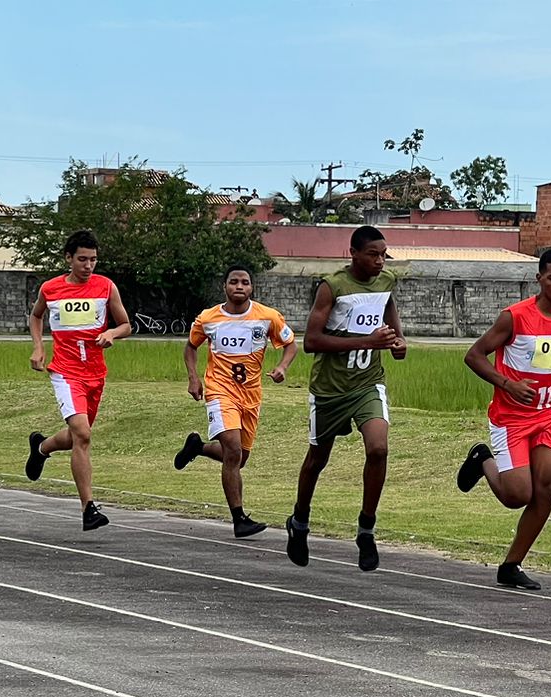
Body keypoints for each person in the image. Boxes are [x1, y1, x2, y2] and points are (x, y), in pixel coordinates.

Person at [456, 248, 551, 590]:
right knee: (517, 496)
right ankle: (482, 458)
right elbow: (474, 356)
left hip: (547, 417)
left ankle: (512, 565)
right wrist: (507, 384)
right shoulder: (514, 317)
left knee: (547, 487)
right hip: (510, 418)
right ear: (539, 280)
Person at [286, 225, 406, 571]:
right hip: (330, 389)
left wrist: (398, 343)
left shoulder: (386, 283)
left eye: (384, 255)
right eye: (373, 254)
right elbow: (311, 341)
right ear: (353, 253)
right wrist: (366, 341)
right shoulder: (332, 286)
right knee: (317, 460)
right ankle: (300, 520)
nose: (380, 261)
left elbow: (391, 322)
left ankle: (366, 529)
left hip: (368, 383)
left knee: (379, 448)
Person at [173, 267, 298, 537]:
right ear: (225, 287)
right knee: (232, 447)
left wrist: (283, 368)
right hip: (220, 390)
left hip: (251, 394)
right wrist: (193, 378)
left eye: (244, 282)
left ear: (251, 288)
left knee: (239, 458)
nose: (239, 286)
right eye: (233, 282)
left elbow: (290, 344)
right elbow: (191, 347)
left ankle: (199, 448)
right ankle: (239, 518)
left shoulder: (267, 316)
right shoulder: (208, 318)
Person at [24, 229, 131, 531]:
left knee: (76, 437)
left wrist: (111, 333)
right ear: (68, 259)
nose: (88, 266)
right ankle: (88, 508)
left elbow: (126, 324)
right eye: (82, 259)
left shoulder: (106, 287)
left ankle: (42, 447)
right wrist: (38, 346)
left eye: (93, 260)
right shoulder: (51, 289)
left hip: (95, 374)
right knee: (82, 434)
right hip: (65, 372)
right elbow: (36, 316)